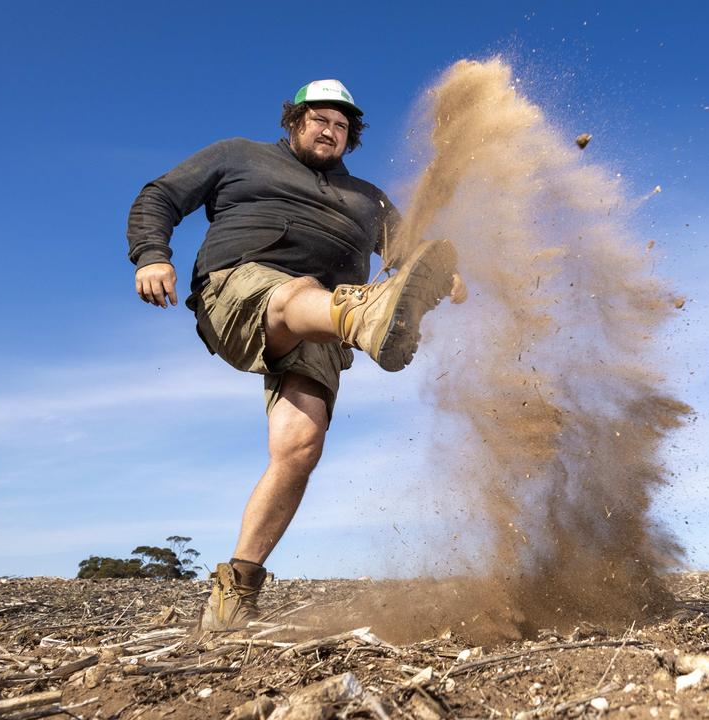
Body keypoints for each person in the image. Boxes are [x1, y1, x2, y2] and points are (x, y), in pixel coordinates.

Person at [126, 79, 464, 631]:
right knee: (293, 293)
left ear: (350, 138)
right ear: (294, 122)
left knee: (299, 447)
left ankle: (236, 589)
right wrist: (150, 255)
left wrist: (447, 275)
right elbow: (160, 196)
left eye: (341, 125)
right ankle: (363, 315)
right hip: (241, 287)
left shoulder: (368, 198)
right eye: (319, 120)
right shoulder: (240, 155)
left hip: (324, 325)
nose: (330, 131)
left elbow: (413, 253)